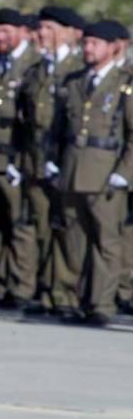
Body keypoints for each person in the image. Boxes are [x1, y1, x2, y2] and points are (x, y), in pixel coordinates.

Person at [46, 20, 133, 326]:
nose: (89, 49)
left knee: (106, 243)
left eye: (96, 44)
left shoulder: (125, 83)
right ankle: (76, 300)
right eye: (86, 43)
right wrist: (52, 161)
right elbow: (58, 129)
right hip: (73, 169)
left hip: (106, 171)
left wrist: (125, 171)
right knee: (75, 240)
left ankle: (102, 304)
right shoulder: (75, 81)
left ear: (114, 47)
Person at [0, 8, 42, 308]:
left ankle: (22, 287)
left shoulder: (34, 66)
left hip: (13, 157)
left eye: (6, 32)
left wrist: (22, 159)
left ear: (23, 32)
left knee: (19, 226)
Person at [19, 6, 85, 314]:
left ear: (68, 32)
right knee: (41, 227)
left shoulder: (78, 67)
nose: (42, 34)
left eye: (49, 28)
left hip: (67, 162)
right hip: (36, 161)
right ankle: (46, 292)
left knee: (67, 230)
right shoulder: (36, 70)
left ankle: (67, 293)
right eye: (41, 28)